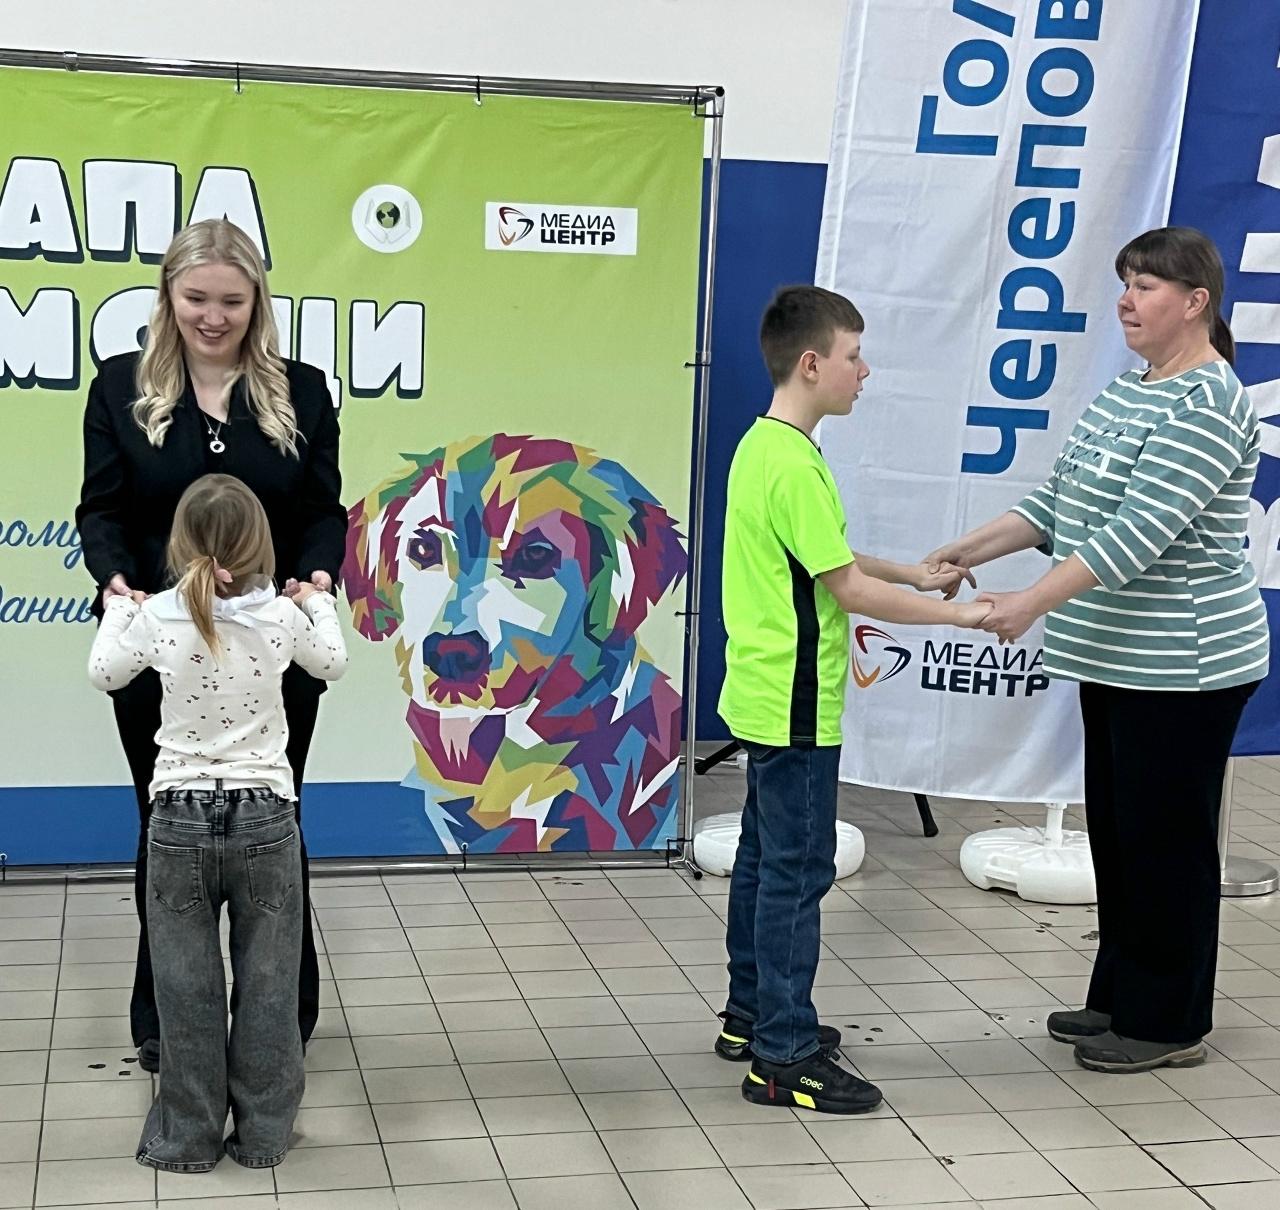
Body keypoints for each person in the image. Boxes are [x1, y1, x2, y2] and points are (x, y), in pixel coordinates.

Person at [925, 227, 1268, 1074]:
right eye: (1125, 282)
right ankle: (1120, 995)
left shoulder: (1209, 402)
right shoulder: (1131, 388)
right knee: (1119, 836)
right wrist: (966, 551)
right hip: (1117, 654)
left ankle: (1167, 1023)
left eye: (1146, 286)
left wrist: (1028, 603)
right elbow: (1058, 501)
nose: (1126, 300)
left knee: (1166, 844)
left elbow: (1138, 533)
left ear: (1196, 303)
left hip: (1183, 662)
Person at [76, 218, 346, 1071]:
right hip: (161, 650)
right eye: (197, 298)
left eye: (232, 301)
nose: (213, 317)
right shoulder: (119, 387)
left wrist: (317, 577)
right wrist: (116, 580)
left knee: (278, 825)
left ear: (258, 302)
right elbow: (101, 509)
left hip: (272, 651)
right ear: (169, 296)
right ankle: (166, 1021)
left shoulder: (303, 393)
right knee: (163, 827)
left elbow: (323, 511)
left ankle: (281, 1021)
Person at [717, 285, 992, 1114]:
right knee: (797, 873)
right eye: (854, 356)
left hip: (761, 690)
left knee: (764, 861)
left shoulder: (766, 447)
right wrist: (963, 616)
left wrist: (913, 572)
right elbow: (847, 589)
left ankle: (750, 1016)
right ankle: (783, 1055)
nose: (863, 372)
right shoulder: (794, 463)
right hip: (796, 701)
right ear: (812, 364)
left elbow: (824, 555)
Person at [88, 474, 348, 1171]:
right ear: (261, 543)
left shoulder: (157, 616)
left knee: (184, 990)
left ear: (178, 545)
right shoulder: (281, 616)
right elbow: (333, 661)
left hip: (177, 817)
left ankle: (188, 1137)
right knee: (270, 985)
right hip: (267, 816)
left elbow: (105, 673)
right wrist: (319, 601)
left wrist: (116, 608)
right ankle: (263, 1134)